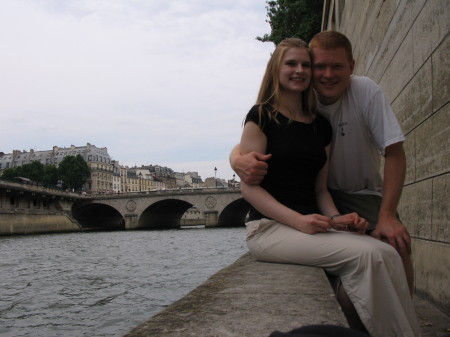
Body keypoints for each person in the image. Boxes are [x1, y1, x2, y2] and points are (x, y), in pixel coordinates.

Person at [237, 37, 420, 337]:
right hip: (268, 228)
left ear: (350, 67)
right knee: (371, 256)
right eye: (291, 64)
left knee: (388, 254)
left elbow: (320, 190)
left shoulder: (319, 125)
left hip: (315, 218)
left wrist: (338, 221)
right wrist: (301, 220)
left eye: (305, 64)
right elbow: (248, 189)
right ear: (275, 70)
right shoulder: (260, 116)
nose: (301, 70)